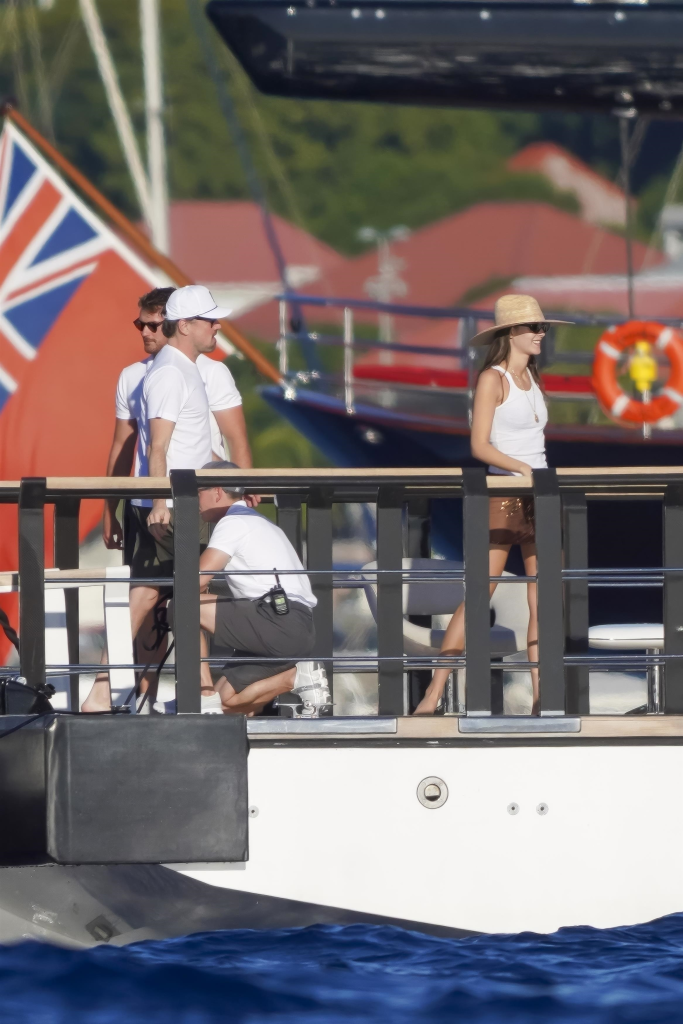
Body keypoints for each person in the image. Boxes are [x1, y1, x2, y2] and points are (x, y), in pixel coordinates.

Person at [413, 294, 572, 717]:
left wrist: (535, 475)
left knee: (546, 600)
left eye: (543, 328)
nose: (541, 334)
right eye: (534, 328)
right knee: (481, 591)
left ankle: (543, 696)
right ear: (511, 334)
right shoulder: (492, 379)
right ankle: (435, 691)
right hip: (506, 493)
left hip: (542, 493)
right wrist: (521, 469)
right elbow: (479, 444)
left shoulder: (533, 378)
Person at [83, 285, 235, 712]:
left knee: (167, 592)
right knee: (172, 592)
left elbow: (195, 445)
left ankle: (110, 687)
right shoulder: (171, 372)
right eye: (209, 320)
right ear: (185, 326)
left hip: (181, 501)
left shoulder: (178, 368)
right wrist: (160, 502)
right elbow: (158, 446)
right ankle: (196, 689)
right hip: (176, 505)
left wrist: (231, 482)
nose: (217, 327)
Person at [193, 461, 317, 717]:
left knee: (182, 606)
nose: (196, 499)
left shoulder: (233, 523)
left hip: (276, 622)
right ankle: (296, 678)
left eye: (199, 491)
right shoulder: (260, 523)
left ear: (216, 491)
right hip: (296, 626)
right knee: (226, 701)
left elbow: (195, 580)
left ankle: (203, 693)